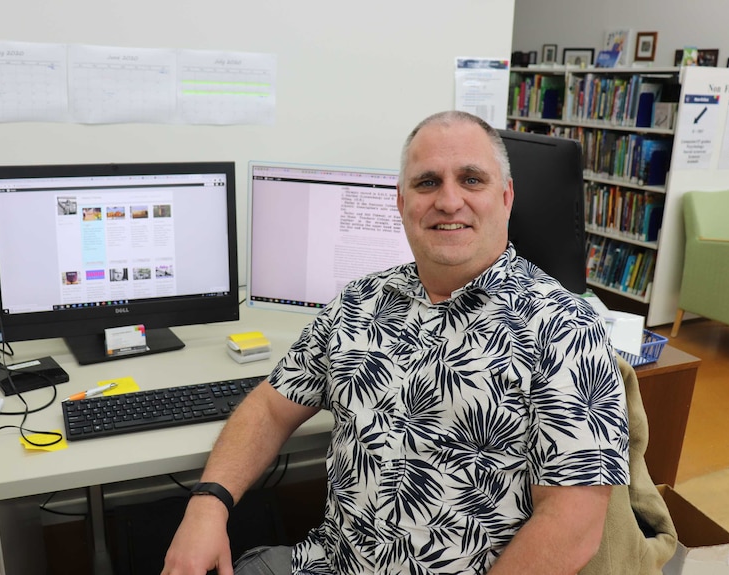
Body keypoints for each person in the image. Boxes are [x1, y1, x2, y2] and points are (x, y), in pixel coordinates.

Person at [161, 111, 629, 575]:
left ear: (506, 197)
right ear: (400, 202)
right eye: (428, 183)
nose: (449, 201)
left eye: (471, 180)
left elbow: (573, 522)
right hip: (326, 564)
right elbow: (269, 408)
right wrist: (208, 505)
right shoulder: (360, 301)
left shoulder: (565, 327)